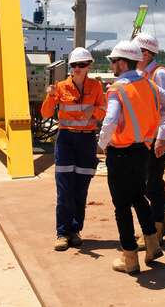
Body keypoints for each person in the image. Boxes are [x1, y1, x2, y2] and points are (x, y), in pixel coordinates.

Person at [98, 40, 165, 275]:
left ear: (122, 63)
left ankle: (130, 258)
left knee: (121, 206)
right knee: (138, 197)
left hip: (120, 151)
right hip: (142, 150)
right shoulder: (150, 85)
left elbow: (111, 120)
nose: (112, 65)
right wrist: (159, 133)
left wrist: (101, 143)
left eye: (113, 61)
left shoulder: (117, 89)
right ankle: (152, 245)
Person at [40, 47, 106, 251]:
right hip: (66, 141)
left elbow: (102, 112)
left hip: (86, 141)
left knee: (81, 188)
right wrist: (51, 96)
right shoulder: (59, 87)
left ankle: (75, 230)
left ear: (89, 66)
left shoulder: (96, 87)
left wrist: (86, 112)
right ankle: (61, 232)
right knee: (64, 189)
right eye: (75, 65)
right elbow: (45, 114)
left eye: (82, 65)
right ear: (70, 67)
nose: (78, 68)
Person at [133, 33, 165, 250]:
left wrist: (161, 139)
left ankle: (157, 228)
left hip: (158, 141)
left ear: (145, 53)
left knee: (152, 183)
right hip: (147, 139)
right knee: (147, 183)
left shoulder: (158, 74)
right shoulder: (143, 73)